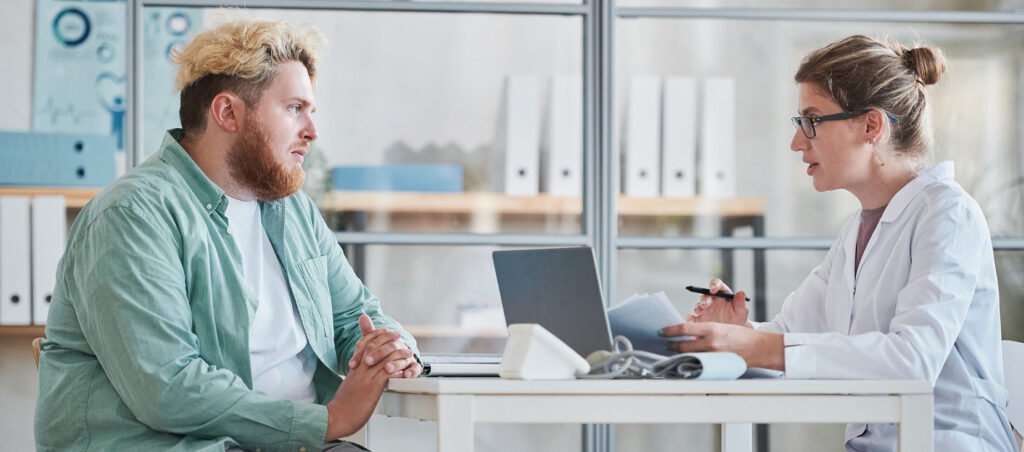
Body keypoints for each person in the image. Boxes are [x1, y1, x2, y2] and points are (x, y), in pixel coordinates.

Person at [35, 18, 421, 451]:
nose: (312, 130)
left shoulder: (292, 211)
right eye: (295, 108)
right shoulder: (132, 215)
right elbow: (168, 387)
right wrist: (327, 420)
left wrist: (391, 347)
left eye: (311, 111)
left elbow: (355, 315)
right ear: (227, 112)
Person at [660, 35, 1016, 452]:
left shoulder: (948, 214)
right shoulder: (859, 231)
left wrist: (758, 346)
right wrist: (737, 333)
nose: (797, 142)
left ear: (871, 125)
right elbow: (792, 338)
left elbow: (912, 361)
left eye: (811, 120)